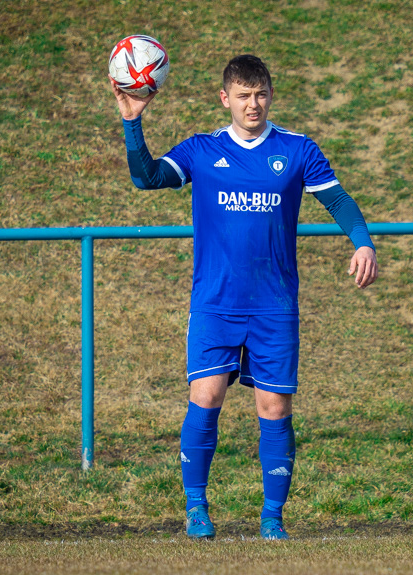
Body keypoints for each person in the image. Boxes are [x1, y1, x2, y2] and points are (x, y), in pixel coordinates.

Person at [110, 54, 378, 540]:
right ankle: (196, 509)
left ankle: (272, 518)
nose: (252, 105)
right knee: (205, 396)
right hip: (215, 302)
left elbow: (337, 199)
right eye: (242, 96)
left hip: (274, 305)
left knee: (273, 409)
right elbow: (146, 178)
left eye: (260, 95)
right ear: (225, 99)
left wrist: (362, 240)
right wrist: (133, 122)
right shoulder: (201, 150)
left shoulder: (297, 150)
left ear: (270, 96)